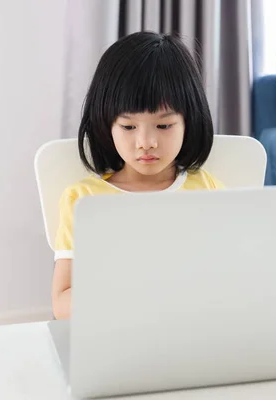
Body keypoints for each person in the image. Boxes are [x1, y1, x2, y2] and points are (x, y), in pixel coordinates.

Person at [51, 31, 223, 319]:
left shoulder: (208, 189)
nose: (146, 142)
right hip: (115, 333)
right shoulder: (83, 200)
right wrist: (130, 297)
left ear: (189, 123)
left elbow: (228, 278)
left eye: (164, 126)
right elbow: (62, 303)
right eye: (129, 127)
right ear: (107, 126)